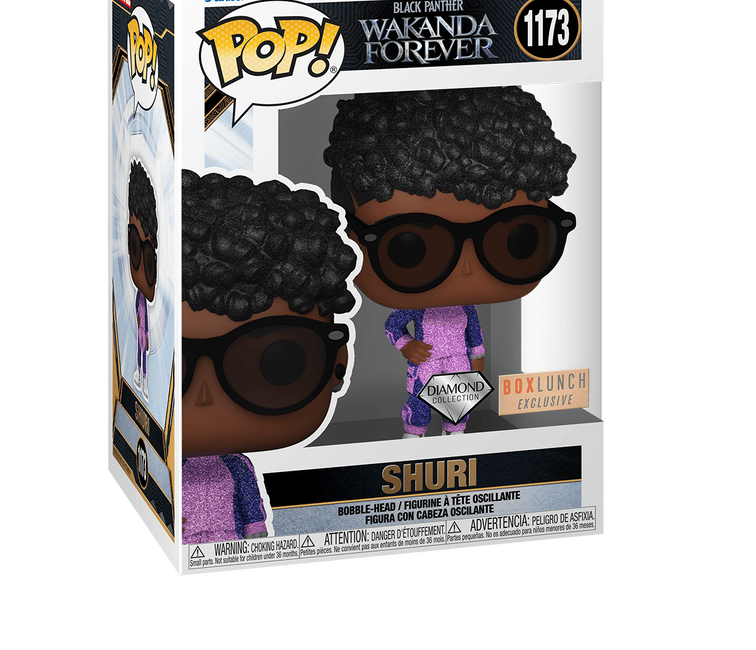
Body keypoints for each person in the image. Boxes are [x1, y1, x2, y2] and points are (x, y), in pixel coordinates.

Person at [324, 87, 577, 437]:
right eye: (413, 250)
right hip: (427, 363)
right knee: (418, 408)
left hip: (458, 365)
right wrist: (407, 346)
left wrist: (477, 359)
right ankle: (413, 439)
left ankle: (454, 441)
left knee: (457, 413)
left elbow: (474, 333)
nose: (467, 270)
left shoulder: (465, 307)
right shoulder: (415, 307)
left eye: (516, 242)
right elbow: (393, 326)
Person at [181, 171, 356, 542]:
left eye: (274, 365)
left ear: (337, 364)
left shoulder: (238, 468)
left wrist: (257, 543)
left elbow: (254, 516)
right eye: (175, 366)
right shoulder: (163, 464)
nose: (204, 397)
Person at [128, 160, 158, 402]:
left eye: (147, 258)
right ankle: (140, 374)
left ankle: (143, 376)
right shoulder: (140, 295)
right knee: (140, 345)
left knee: (142, 345)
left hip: (143, 330)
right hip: (141, 328)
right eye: (133, 247)